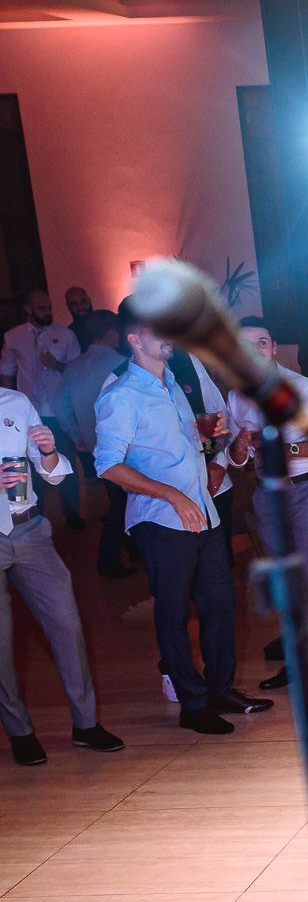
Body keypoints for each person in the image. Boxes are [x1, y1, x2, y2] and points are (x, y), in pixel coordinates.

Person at [95, 306, 270, 734]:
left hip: (205, 511)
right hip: (160, 520)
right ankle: (193, 704)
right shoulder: (119, 395)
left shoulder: (173, 382)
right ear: (134, 338)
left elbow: (193, 437)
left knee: (220, 604)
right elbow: (107, 466)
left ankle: (219, 689)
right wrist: (170, 493)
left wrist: (216, 448)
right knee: (173, 613)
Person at [221, 320, 308, 699]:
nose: (255, 349)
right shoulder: (236, 396)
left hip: (306, 490)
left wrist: (285, 448)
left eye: (262, 342)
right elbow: (236, 455)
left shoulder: (304, 388)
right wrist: (240, 448)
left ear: (274, 347)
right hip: (267, 495)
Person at [0, 379, 122, 764]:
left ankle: (85, 725)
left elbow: (51, 473)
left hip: (31, 529)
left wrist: (49, 451)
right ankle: (19, 730)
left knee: (67, 626)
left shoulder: (16, 402)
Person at [51, 312, 131, 577]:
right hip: (128, 449)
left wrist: (77, 437)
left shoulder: (73, 367)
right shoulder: (123, 363)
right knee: (125, 504)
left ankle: (126, 552)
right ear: (111, 333)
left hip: (96, 446)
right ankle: (109, 559)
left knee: (118, 501)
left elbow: (60, 408)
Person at [4, 289, 83, 529]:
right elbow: (6, 374)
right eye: (41, 308)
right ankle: (37, 517)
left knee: (63, 462)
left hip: (58, 411)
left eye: (49, 307)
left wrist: (56, 365)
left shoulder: (65, 335)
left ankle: (72, 515)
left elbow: (77, 372)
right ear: (28, 309)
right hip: (27, 413)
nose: (47, 312)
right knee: (28, 466)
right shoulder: (13, 337)